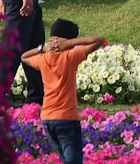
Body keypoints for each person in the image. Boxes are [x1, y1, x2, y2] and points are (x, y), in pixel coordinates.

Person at [22, 18, 106, 164]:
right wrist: (69, 44)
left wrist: (43, 48)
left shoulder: (43, 59)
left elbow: (24, 57)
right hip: (67, 118)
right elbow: (100, 40)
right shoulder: (70, 56)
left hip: (47, 119)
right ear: (68, 40)